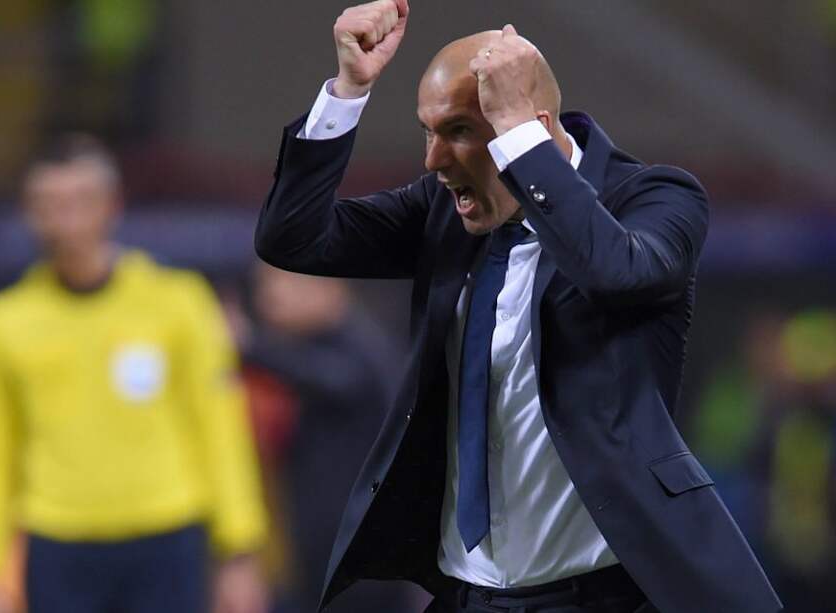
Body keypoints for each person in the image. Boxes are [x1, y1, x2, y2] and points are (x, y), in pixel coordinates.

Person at [254, 1, 783, 612]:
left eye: (459, 131)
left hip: (605, 596)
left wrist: (519, 139)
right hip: (470, 596)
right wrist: (348, 90)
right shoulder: (442, 212)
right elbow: (293, 239)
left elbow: (617, 273)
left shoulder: (656, 198)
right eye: (429, 131)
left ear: (530, 127)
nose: (434, 161)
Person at [0, 135, 270, 613]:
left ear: (112, 205)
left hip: (167, 533)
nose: (67, 220)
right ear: (30, 212)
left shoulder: (177, 301)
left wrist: (239, 547)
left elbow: (219, 423)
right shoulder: (2, 322)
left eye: (81, 201)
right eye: (50, 204)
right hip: (59, 540)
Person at [242, 263, 414, 613]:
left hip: (363, 556)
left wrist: (247, 345)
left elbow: (336, 379)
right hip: (318, 550)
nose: (270, 299)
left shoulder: (362, 347)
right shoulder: (308, 347)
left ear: (330, 289)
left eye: (286, 286)